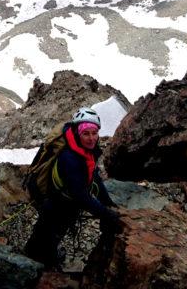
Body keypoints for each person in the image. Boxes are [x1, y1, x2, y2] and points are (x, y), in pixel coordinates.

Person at [23, 107, 120, 269]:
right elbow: (81, 195)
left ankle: (38, 254)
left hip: (65, 200)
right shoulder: (69, 158)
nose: (91, 138)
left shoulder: (86, 149)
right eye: (86, 134)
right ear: (77, 133)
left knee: (50, 231)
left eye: (94, 133)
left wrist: (106, 201)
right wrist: (107, 214)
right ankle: (41, 265)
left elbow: (93, 174)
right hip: (57, 202)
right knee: (50, 231)